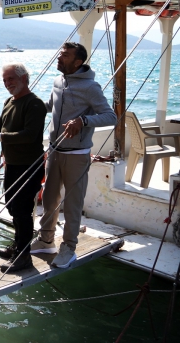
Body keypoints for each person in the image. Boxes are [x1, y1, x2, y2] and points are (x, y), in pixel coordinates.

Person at [30, 42, 117, 268]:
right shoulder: (58, 81)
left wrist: (83, 121)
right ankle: (46, 239)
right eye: (60, 54)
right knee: (49, 199)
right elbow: (51, 106)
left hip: (77, 155)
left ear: (78, 62)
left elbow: (111, 117)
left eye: (65, 56)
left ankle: (69, 248)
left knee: (72, 204)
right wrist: (26, 104)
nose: (59, 58)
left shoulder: (91, 87)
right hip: (54, 151)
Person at [0, 63, 46, 272]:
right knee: (12, 207)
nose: (8, 84)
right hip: (12, 165)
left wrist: (0, 137)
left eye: (11, 79)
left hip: (29, 166)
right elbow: (0, 123)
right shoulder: (9, 101)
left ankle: (23, 256)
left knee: (22, 210)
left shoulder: (35, 104)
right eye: (5, 80)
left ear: (24, 78)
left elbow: (29, 135)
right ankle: (19, 246)